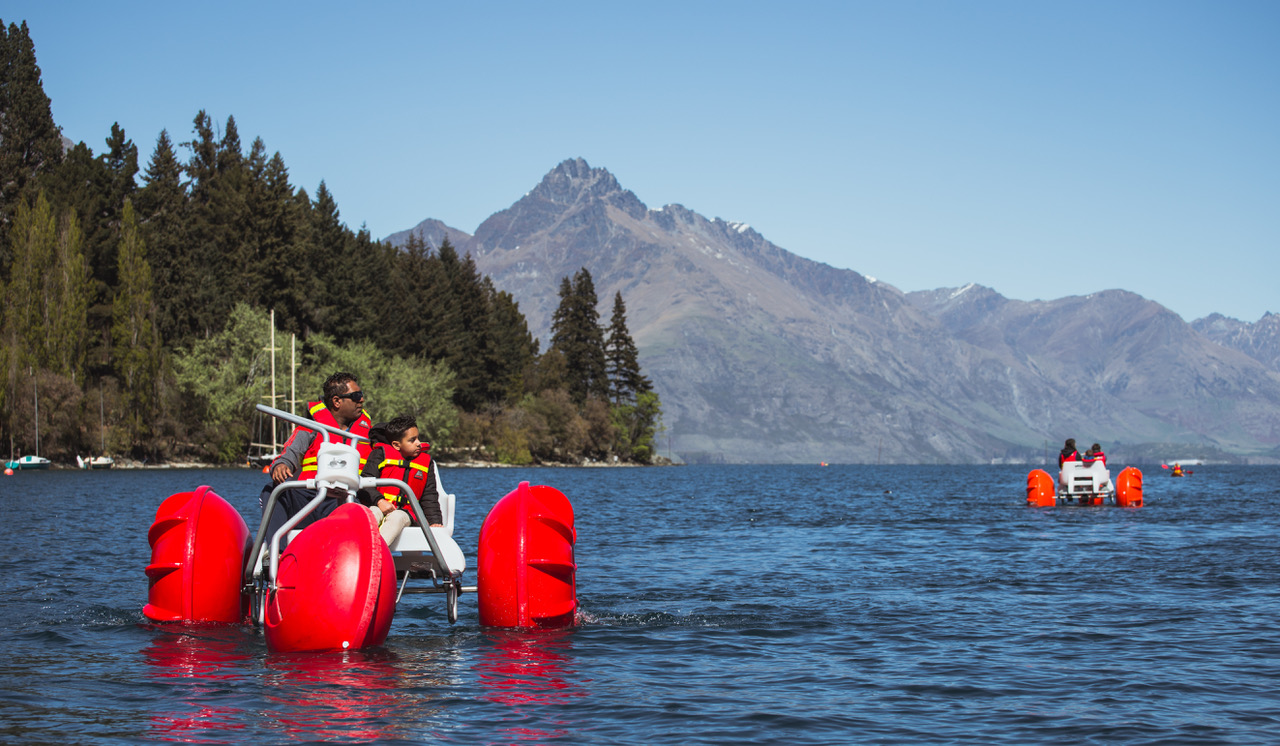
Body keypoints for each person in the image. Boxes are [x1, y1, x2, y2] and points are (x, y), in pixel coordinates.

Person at [258, 371, 373, 552]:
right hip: (309, 500)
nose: (362, 400)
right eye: (356, 396)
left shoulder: (369, 433)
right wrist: (282, 465)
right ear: (337, 401)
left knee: (360, 509)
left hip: (346, 501)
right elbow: (292, 451)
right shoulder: (311, 427)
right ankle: (275, 554)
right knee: (272, 490)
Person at [357, 415, 442, 546]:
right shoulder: (380, 454)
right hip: (378, 505)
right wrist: (379, 501)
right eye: (412, 440)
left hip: (406, 513)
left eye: (418, 438)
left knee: (396, 517)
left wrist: (435, 521)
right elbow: (365, 484)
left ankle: (376, 553)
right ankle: (360, 550)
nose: (418, 443)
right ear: (396, 445)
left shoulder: (426, 462)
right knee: (372, 514)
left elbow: (429, 496)